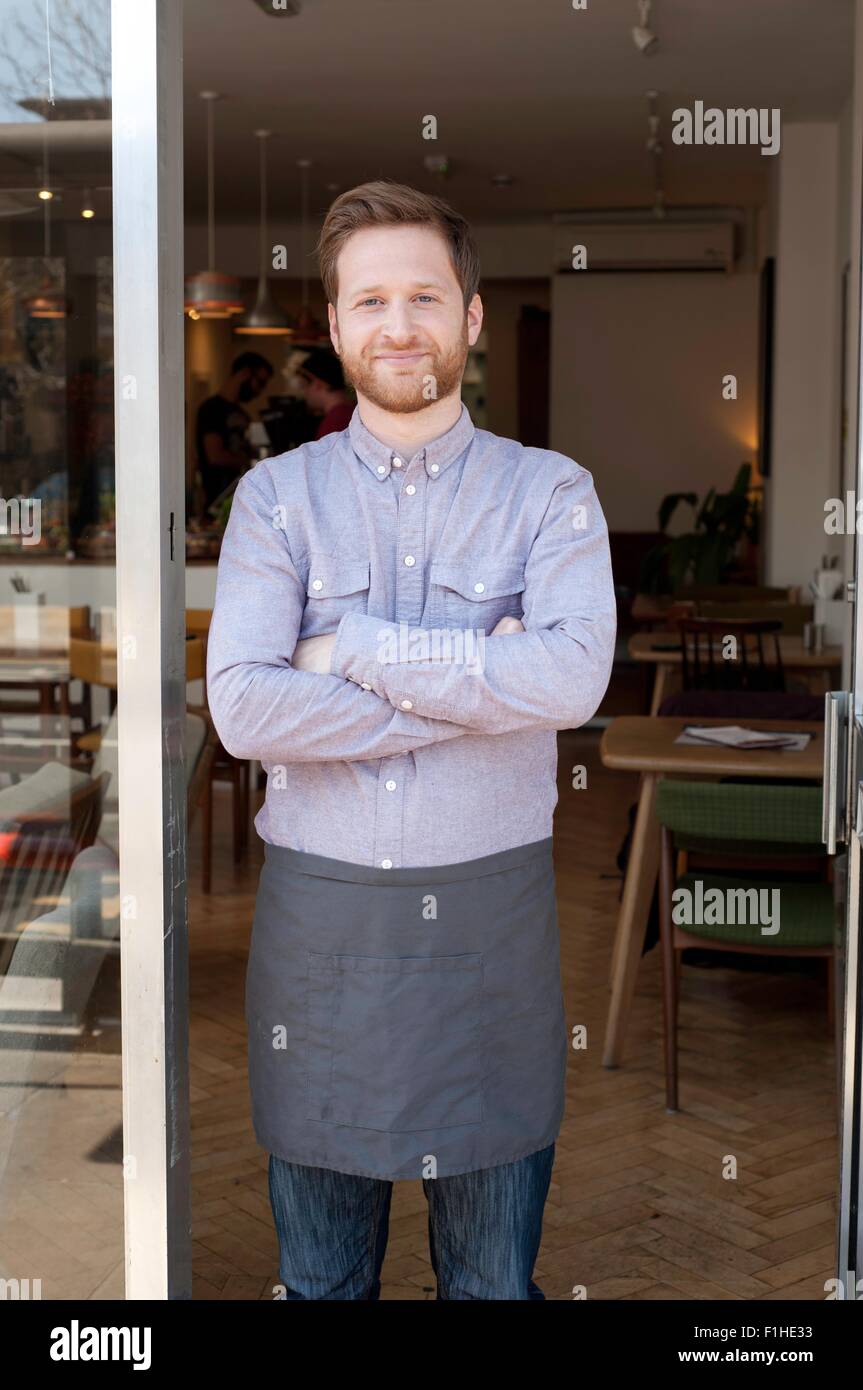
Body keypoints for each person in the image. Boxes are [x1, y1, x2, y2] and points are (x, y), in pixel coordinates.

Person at [206, 180, 617, 1300]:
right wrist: (485, 677)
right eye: (369, 300)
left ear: (470, 316)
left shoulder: (551, 495)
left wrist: (347, 651)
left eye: (424, 297)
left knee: (489, 1288)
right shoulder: (274, 500)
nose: (399, 325)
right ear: (335, 328)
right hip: (321, 941)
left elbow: (573, 677)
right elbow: (243, 709)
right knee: (323, 1284)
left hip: (491, 938)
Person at [195, 351, 273, 511]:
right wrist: (252, 463)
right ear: (244, 373)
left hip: (238, 497)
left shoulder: (242, 414)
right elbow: (215, 455)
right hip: (217, 499)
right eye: (260, 383)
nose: (260, 391)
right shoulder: (211, 409)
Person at [297, 347, 355, 438]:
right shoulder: (350, 412)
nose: (304, 393)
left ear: (318, 384)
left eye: (304, 386)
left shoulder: (336, 421)